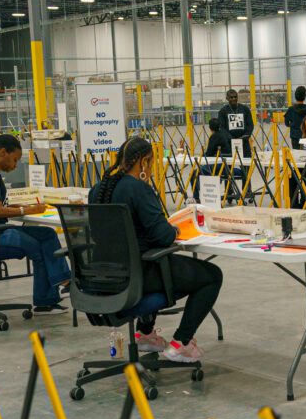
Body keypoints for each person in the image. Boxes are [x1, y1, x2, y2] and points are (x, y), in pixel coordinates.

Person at [89, 136, 223, 363]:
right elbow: (162, 236)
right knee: (211, 275)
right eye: (151, 163)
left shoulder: (96, 190)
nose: (151, 169)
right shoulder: (138, 189)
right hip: (139, 275)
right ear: (142, 162)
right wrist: (174, 230)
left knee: (170, 269)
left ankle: (146, 334)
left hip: (104, 276)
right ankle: (181, 343)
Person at [0, 134, 70, 311]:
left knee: (47, 234)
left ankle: (59, 284)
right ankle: (52, 293)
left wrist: (24, 206)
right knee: (38, 247)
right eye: (14, 160)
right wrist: (25, 211)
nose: (15, 165)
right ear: (3, 153)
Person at [216, 88, 252, 156]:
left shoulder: (245, 109)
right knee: (228, 164)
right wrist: (231, 138)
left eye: (235, 97)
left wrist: (245, 136)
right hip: (228, 143)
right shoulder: (223, 111)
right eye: (231, 97)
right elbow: (221, 127)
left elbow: (250, 125)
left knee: (247, 163)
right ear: (227, 98)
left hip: (244, 142)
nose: (233, 99)